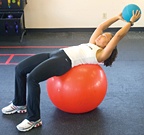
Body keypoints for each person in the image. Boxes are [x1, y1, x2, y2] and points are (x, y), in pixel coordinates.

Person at [1, 11, 141, 132]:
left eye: (105, 37)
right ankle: (19, 103)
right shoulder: (92, 43)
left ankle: (34, 119)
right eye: (103, 34)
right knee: (19, 69)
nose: (101, 35)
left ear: (108, 45)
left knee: (33, 78)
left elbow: (117, 37)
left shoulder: (101, 54)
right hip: (56, 53)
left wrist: (130, 23)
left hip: (65, 62)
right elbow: (101, 26)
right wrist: (117, 17)